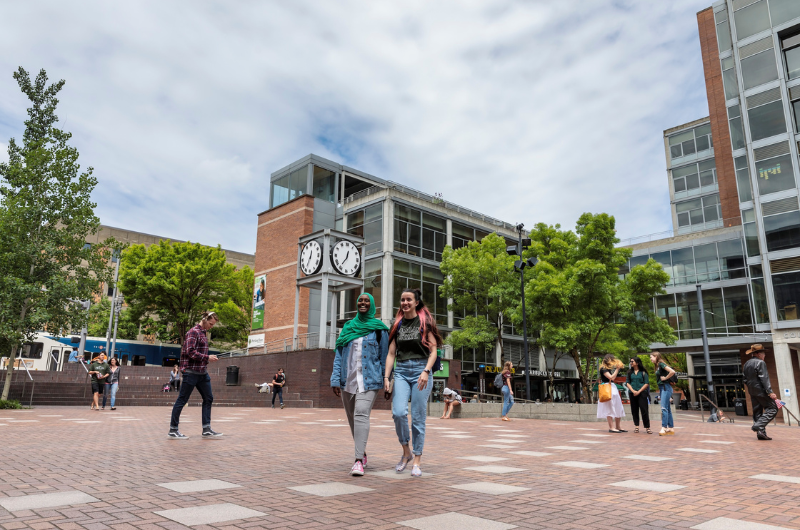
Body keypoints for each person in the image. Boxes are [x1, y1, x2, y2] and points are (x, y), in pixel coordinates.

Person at [331, 292, 389, 476]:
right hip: (348, 380)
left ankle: (357, 461)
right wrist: (335, 378)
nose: (362, 303)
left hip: (370, 380)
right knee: (352, 419)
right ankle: (362, 452)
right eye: (360, 300)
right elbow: (339, 354)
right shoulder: (348, 327)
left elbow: (385, 356)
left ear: (371, 305)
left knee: (361, 414)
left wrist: (388, 380)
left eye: (366, 301)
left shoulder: (379, 329)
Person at [384, 288, 441, 477]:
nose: (405, 303)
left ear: (416, 302)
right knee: (398, 413)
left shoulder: (424, 322)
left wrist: (426, 371)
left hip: (421, 370)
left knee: (418, 417)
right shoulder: (398, 324)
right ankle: (405, 451)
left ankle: (417, 459)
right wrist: (387, 377)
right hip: (401, 371)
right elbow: (391, 353)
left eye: (409, 299)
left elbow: (433, 352)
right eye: (402, 300)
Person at [168, 311, 222, 439]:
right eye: (210, 324)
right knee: (182, 400)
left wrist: (206, 359)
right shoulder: (193, 332)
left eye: (213, 325)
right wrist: (207, 357)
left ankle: (206, 428)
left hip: (202, 373)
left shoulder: (203, 333)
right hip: (190, 372)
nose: (211, 327)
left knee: (208, 398)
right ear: (204, 320)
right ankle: (173, 429)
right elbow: (190, 352)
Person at [743, 344, 779, 441]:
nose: (764, 355)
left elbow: (744, 379)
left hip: (752, 391)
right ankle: (758, 426)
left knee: (757, 412)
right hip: (762, 391)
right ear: (758, 354)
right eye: (763, 353)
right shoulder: (760, 363)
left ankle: (760, 433)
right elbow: (764, 378)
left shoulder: (746, 364)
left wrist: (752, 388)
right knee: (773, 408)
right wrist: (770, 392)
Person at [597, 354, 626, 432]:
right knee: (609, 407)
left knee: (618, 406)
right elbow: (611, 377)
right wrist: (617, 369)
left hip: (612, 387)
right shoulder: (603, 369)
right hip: (607, 387)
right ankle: (611, 427)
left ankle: (618, 426)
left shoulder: (607, 368)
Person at [650, 351, 676, 436]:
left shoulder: (661, 364)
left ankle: (664, 427)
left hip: (665, 387)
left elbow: (672, 371)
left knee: (664, 408)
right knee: (667, 408)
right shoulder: (658, 366)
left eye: (651, 357)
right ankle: (671, 427)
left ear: (656, 357)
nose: (650, 359)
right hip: (663, 388)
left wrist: (665, 378)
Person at [626, 357, 651, 434]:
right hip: (632, 393)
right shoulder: (630, 373)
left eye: (632, 361)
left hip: (642, 393)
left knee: (644, 410)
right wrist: (633, 391)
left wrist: (639, 391)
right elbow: (627, 383)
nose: (631, 363)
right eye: (630, 361)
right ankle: (636, 426)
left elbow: (646, 383)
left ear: (637, 363)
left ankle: (647, 427)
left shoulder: (643, 373)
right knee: (634, 410)